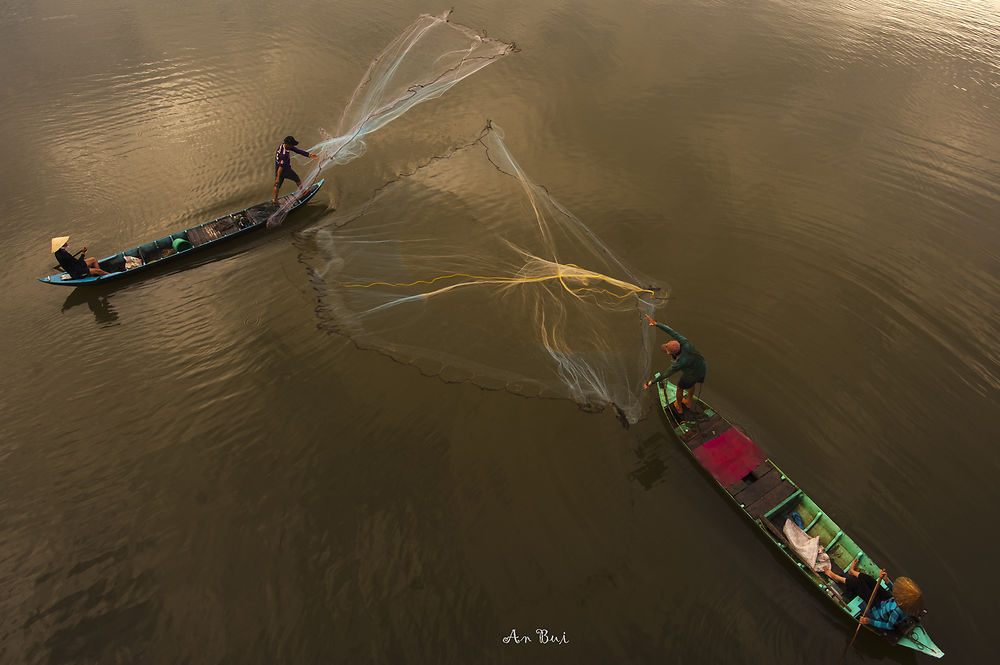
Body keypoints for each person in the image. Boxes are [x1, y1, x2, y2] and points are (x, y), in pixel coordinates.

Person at [825, 562, 925, 631]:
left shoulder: (896, 612)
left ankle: (837, 578)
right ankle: (852, 572)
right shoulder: (904, 601)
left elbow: (889, 626)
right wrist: (886, 580)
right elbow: (894, 592)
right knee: (869, 579)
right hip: (887, 600)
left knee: (859, 584)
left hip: (877, 609)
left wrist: (870, 621)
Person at [641, 313, 707, 415]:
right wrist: (656, 324)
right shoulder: (684, 342)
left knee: (680, 388)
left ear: (674, 353)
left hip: (691, 374)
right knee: (692, 384)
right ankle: (689, 401)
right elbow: (671, 331)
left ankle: (679, 406)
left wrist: (651, 382)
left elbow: (666, 374)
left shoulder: (679, 363)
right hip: (702, 366)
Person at [273, 135, 318, 203]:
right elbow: (281, 167)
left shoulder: (283, 146)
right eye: (292, 145)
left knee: (277, 185)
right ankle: (303, 192)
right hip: (284, 169)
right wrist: (277, 177)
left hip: (278, 169)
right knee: (297, 179)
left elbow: (297, 150)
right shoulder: (284, 154)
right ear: (288, 144)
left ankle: (275, 200)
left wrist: (309, 155)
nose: (292, 146)